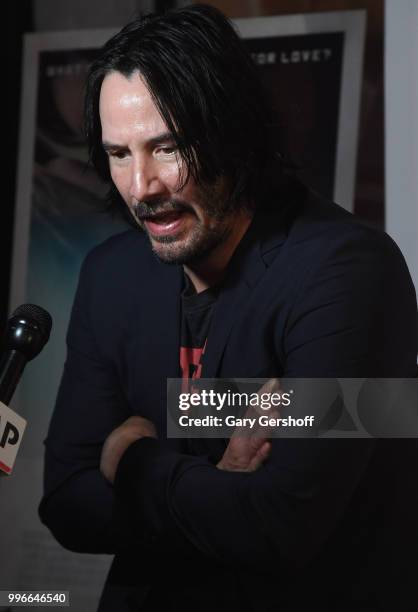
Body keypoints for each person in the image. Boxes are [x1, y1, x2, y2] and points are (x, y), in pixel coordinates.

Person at [39, 5, 418, 612]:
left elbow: (278, 525)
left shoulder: (349, 273)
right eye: (118, 154)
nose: (141, 186)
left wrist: (133, 459)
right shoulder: (112, 274)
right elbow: (65, 499)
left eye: (167, 148)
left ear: (233, 132)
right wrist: (213, 484)